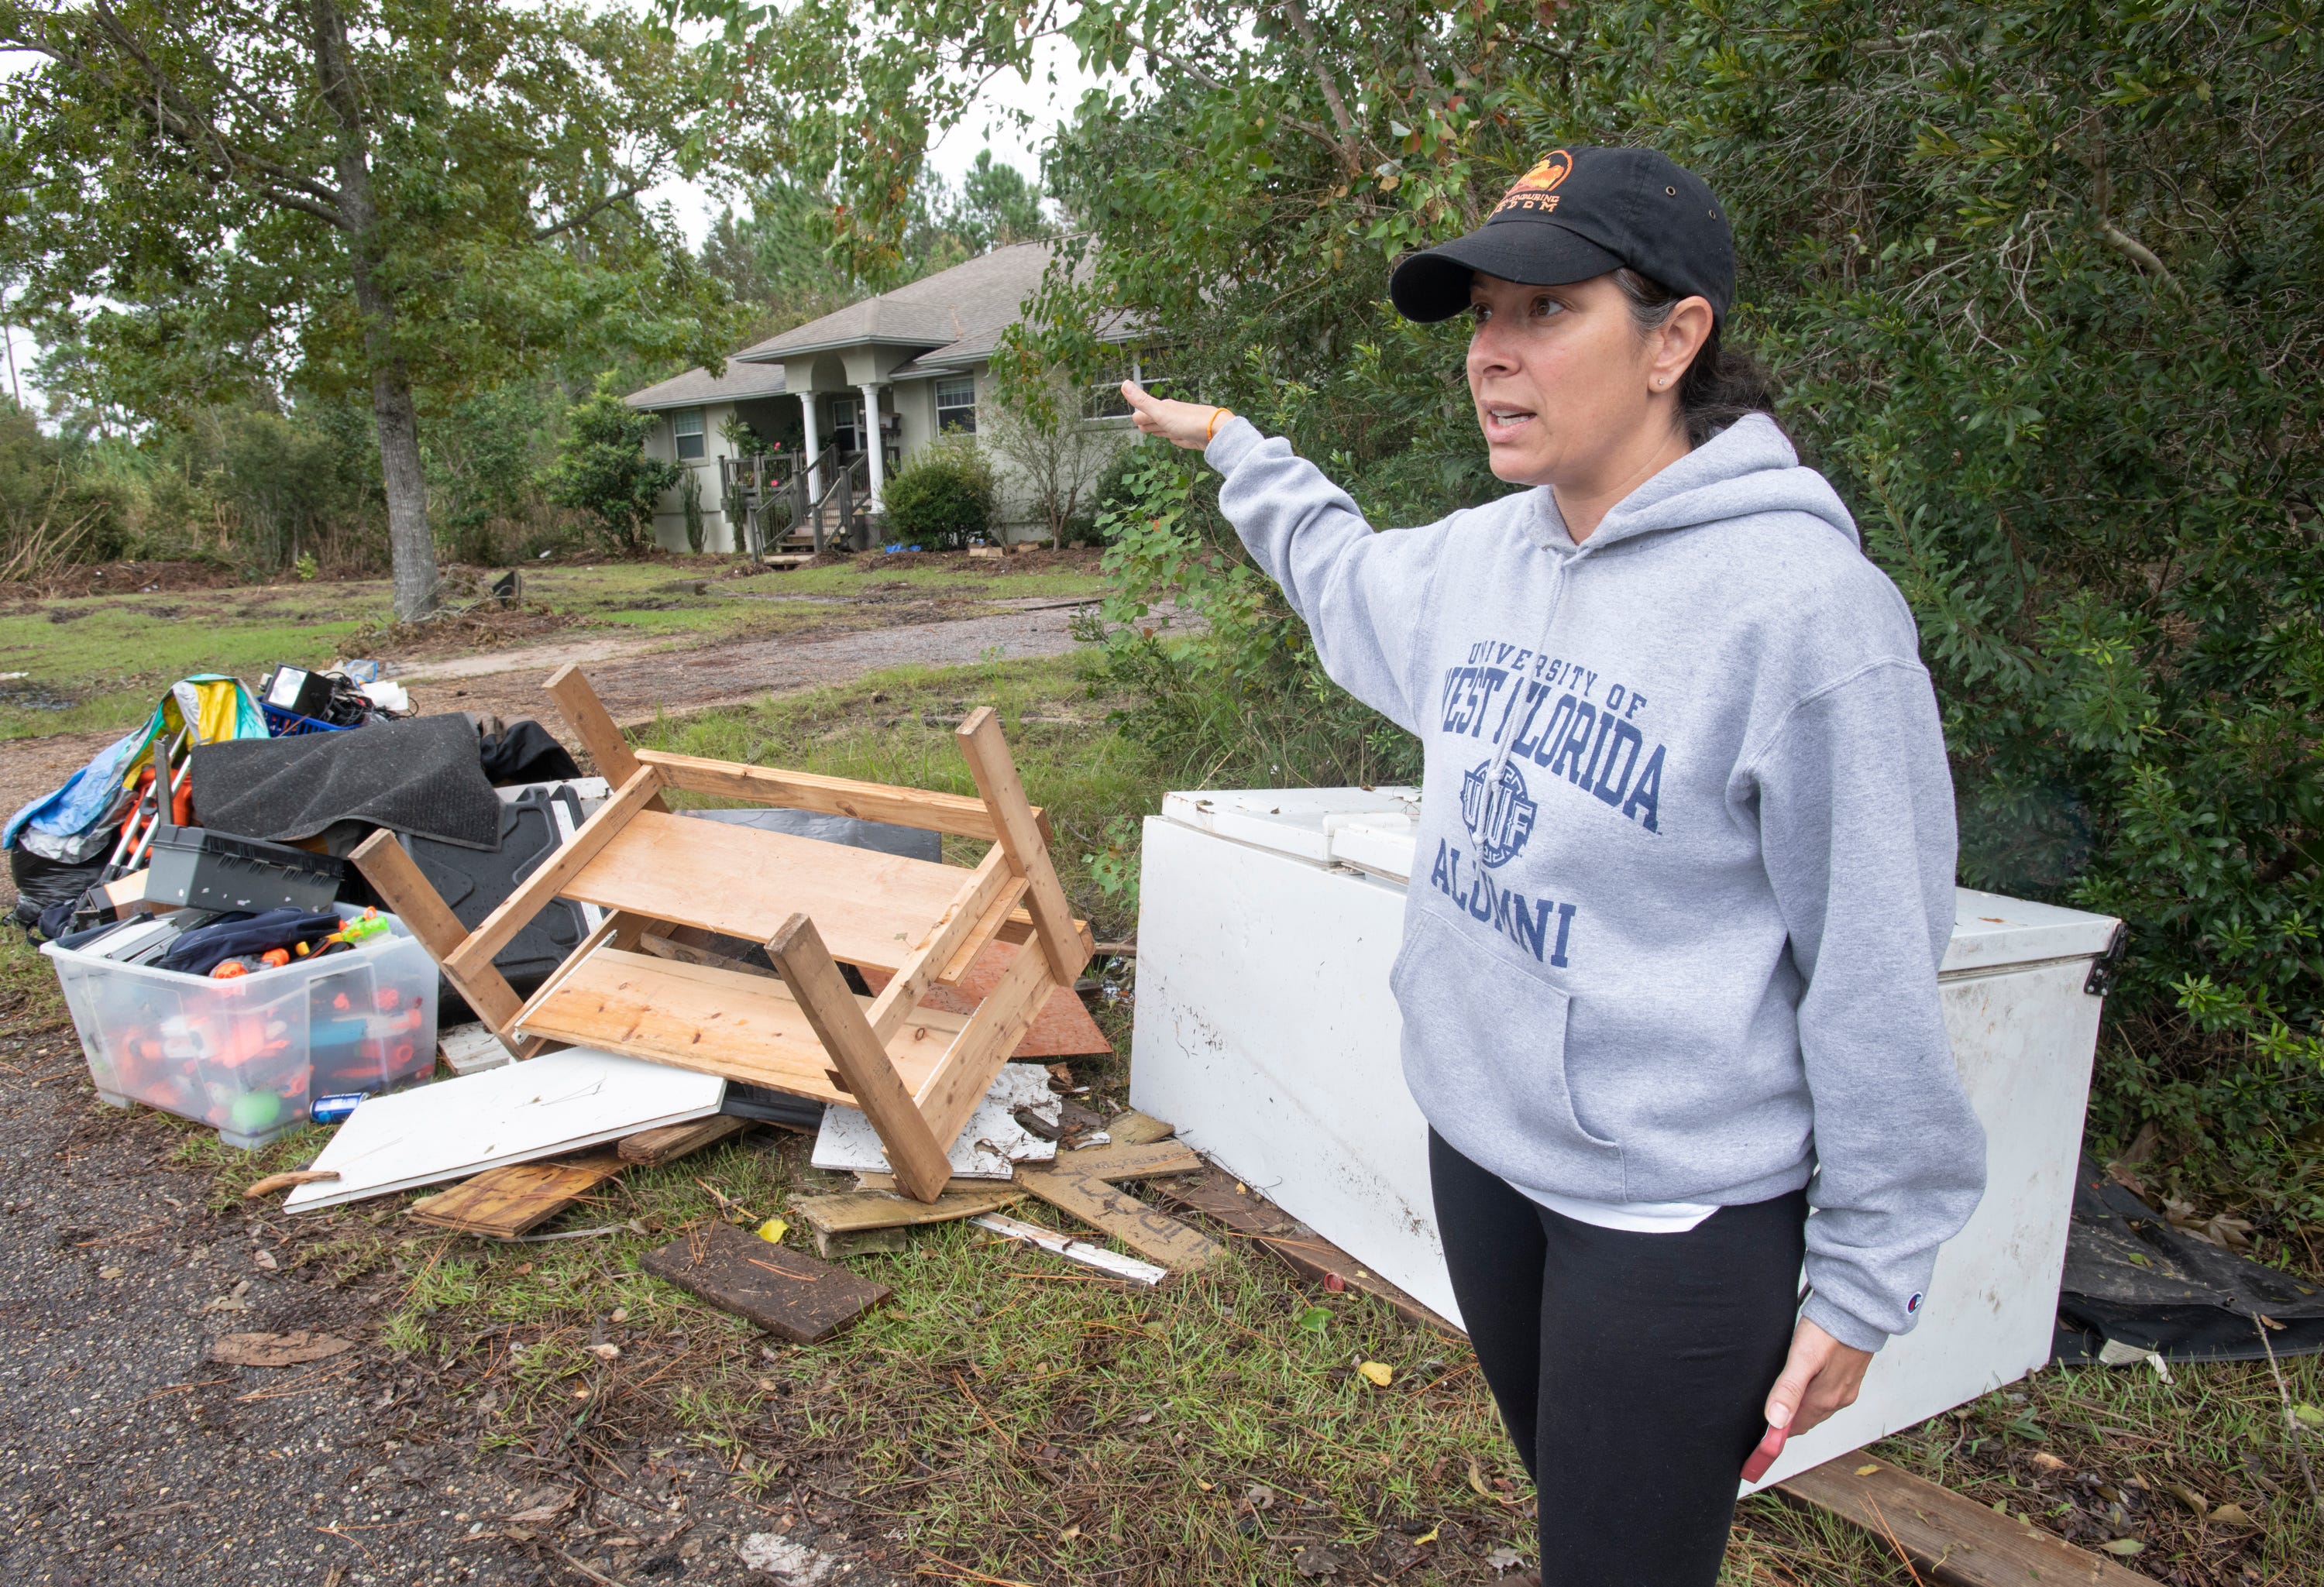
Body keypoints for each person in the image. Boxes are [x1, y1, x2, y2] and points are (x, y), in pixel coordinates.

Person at [1120, 146, 1987, 1586]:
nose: (1492, 357)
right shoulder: (1484, 558)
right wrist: (1235, 447)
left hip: (1672, 1217)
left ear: (1676, 338)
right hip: (1486, 1155)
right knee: (1574, 1511)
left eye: (1546, 312)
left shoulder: (1811, 619)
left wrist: (1867, 1271)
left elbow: (1881, 964)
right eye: (1479, 319)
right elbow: (1342, 575)